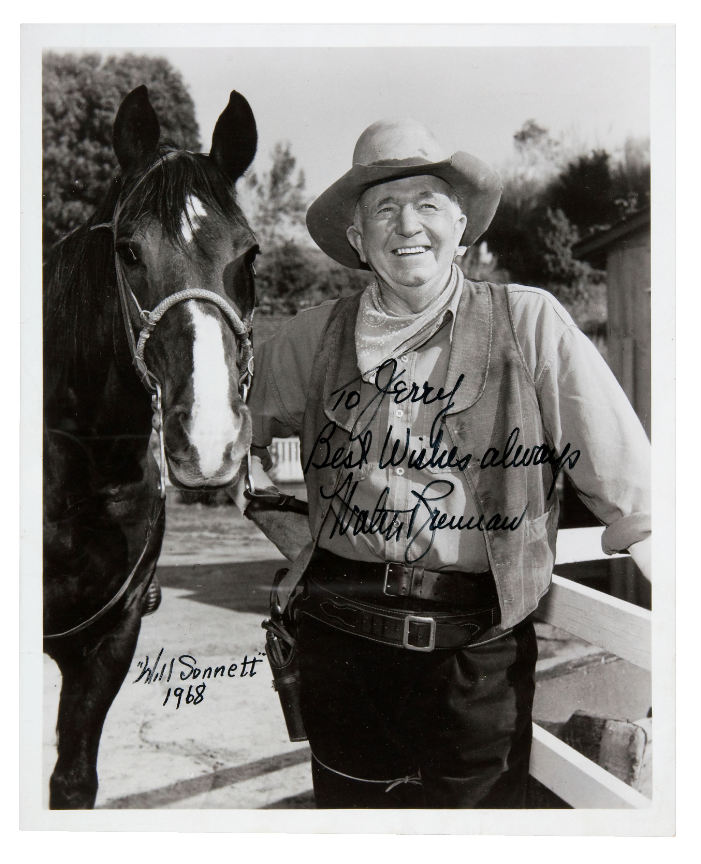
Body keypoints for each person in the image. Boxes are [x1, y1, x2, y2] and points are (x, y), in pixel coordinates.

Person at [234, 119, 651, 808]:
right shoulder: (309, 335)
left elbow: (634, 491)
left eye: (428, 203)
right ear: (357, 240)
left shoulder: (531, 323)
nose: (408, 224)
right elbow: (212, 437)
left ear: (461, 225)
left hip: (475, 656)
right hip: (340, 649)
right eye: (382, 209)